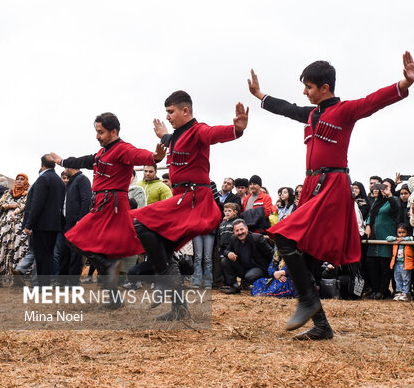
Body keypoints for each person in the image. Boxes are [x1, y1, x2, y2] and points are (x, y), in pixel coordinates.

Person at [248, 51, 414, 339]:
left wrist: (404, 84)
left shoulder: (345, 110)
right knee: (307, 255)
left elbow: (372, 102)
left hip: (333, 185)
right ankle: (322, 326)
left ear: (324, 87)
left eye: (309, 87)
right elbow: (288, 108)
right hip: (312, 187)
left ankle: (307, 302)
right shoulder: (312, 113)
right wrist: (261, 96)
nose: (304, 92)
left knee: (286, 236)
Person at [131, 90, 248, 320]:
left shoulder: (198, 130)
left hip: (196, 200)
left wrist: (237, 129)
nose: (168, 116)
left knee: (141, 222)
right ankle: (179, 308)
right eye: (166, 112)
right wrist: (164, 136)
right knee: (160, 244)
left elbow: (214, 133)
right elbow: (172, 140)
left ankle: (165, 276)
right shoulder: (176, 136)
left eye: (171, 112)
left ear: (185, 111)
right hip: (182, 199)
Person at [50, 113, 165, 299]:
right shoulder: (102, 153)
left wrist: (155, 157)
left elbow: (138, 154)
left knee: (74, 238)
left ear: (113, 131)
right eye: (97, 132)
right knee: (104, 252)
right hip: (102, 203)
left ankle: (109, 271)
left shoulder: (122, 149)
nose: (97, 136)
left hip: (113, 204)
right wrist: (63, 162)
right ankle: (114, 298)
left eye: (101, 132)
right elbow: (85, 161)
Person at [23, 155, 65, 281]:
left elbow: (37, 204)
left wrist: (29, 224)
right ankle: (44, 284)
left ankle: (39, 285)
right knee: (48, 255)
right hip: (54, 224)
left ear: (42, 164)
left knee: (40, 256)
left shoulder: (43, 179)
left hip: (41, 224)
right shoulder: (59, 181)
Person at [365, 178, 400, 299]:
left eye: (387, 186)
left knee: (385, 266)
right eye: (382, 186)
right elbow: (371, 214)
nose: (383, 189)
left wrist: (389, 195)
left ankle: (383, 290)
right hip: (374, 238)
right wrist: (368, 225)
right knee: (372, 264)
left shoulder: (394, 200)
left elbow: (396, 210)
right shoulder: (376, 201)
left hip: (386, 237)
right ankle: (375, 290)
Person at [0, 174, 30, 276]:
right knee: (2, 246)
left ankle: (17, 273)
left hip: (19, 224)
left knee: (18, 247)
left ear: (25, 181)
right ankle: (1, 271)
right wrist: (10, 206)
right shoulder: (8, 192)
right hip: (5, 224)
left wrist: (14, 211)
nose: (19, 181)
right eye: (17, 179)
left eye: (22, 179)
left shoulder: (27, 194)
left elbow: (23, 206)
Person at [58, 167, 91, 285]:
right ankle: (62, 281)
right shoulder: (70, 182)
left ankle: (72, 282)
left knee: (75, 254)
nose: (64, 169)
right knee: (64, 252)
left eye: (66, 167)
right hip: (66, 223)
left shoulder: (82, 180)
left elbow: (86, 200)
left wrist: (81, 219)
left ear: (72, 167)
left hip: (76, 223)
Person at [220, 219, 272, 294]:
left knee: (250, 277)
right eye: (237, 230)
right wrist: (228, 253)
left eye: (241, 229)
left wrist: (273, 272)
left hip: (258, 268)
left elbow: (270, 254)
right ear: (234, 232)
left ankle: (261, 284)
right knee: (225, 261)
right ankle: (234, 286)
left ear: (246, 228)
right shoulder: (233, 238)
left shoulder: (257, 238)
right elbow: (225, 251)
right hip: (243, 268)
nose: (240, 232)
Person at [388, 224, 414, 301]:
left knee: (406, 279)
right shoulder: (396, 239)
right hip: (396, 263)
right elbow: (388, 238)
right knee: (397, 278)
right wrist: (396, 238)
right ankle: (398, 292)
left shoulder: (408, 239)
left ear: (407, 232)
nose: (401, 235)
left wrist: (403, 240)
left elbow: (411, 238)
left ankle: (405, 293)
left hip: (405, 263)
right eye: (399, 232)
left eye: (403, 232)